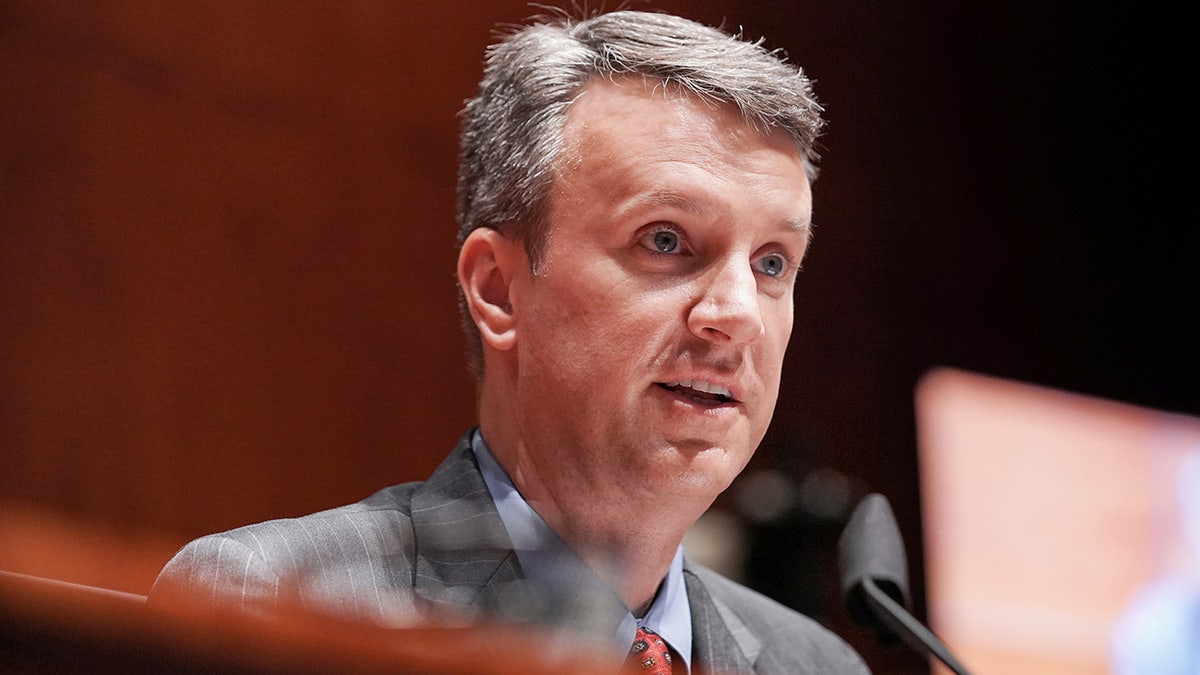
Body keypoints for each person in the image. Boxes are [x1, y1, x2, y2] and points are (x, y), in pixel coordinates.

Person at [151, 8, 870, 674]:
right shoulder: (268, 600)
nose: (739, 311)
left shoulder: (817, 665)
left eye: (773, 261)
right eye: (666, 239)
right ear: (498, 289)